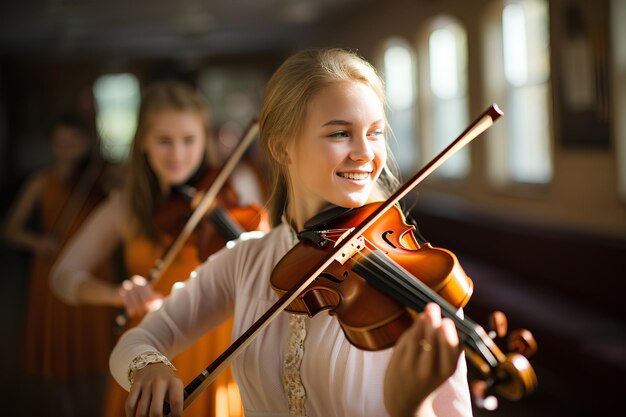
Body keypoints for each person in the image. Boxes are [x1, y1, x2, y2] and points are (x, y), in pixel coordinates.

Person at [110, 48, 473, 417]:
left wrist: (412, 408)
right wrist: (150, 366)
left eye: (375, 133)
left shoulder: (417, 278)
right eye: (340, 133)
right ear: (282, 147)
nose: (366, 153)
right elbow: (138, 339)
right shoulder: (245, 259)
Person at [51, 81, 266, 417]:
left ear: (204, 140)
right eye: (164, 141)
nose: (177, 154)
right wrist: (118, 294)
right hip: (150, 349)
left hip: (219, 345)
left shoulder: (234, 186)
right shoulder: (124, 207)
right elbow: (62, 277)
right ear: (143, 144)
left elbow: (260, 259)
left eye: (189, 140)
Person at [3, 113, 119, 416]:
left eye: (74, 142)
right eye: (61, 143)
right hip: (52, 271)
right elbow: (10, 229)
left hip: (93, 271)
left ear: (88, 143)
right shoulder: (41, 181)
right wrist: (37, 242)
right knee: (59, 353)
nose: (67, 150)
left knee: (96, 350)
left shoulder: (98, 179)